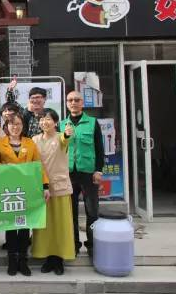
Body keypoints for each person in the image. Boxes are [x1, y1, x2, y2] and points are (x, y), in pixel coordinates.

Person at [0, 114, 50, 276]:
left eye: (18, 124)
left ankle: (23, 260)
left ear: (22, 126)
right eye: (11, 124)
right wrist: (5, 166)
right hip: (8, 190)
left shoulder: (30, 143)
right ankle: (12, 260)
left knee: (24, 225)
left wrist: (45, 186)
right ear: (6, 127)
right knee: (11, 225)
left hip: (27, 189)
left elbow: (39, 165)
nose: (15, 127)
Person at [60, 90, 105, 258]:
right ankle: (74, 244)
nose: (73, 103)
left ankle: (92, 245)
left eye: (77, 100)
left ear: (82, 103)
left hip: (89, 174)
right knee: (70, 212)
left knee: (92, 211)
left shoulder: (93, 123)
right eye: (70, 100)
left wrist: (99, 170)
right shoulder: (62, 124)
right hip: (68, 174)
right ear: (66, 103)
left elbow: (100, 149)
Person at [32, 109, 76, 275]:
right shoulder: (34, 139)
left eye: (48, 119)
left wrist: (67, 133)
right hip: (40, 189)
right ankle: (47, 258)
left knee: (60, 225)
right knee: (44, 226)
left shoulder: (60, 137)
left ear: (56, 122)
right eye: (42, 119)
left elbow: (66, 139)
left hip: (60, 188)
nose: (45, 122)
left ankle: (59, 260)